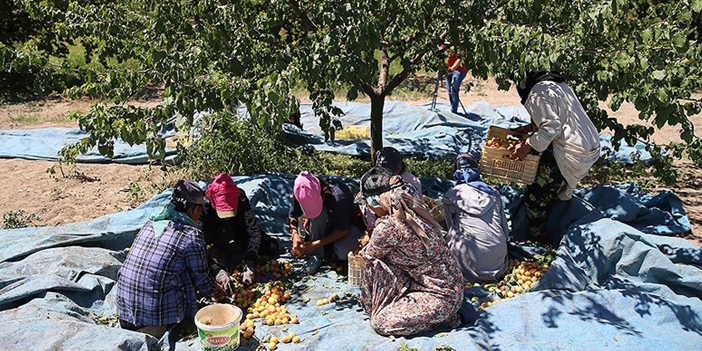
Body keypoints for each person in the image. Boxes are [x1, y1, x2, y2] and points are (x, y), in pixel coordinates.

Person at [358, 167, 463, 336]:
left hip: (441, 298)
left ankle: (442, 319)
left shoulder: (388, 227)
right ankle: (437, 313)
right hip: (450, 287)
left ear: (375, 202)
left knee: (380, 323)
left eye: (368, 204)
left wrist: (366, 241)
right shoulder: (414, 209)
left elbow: (368, 255)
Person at [117, 180, 220, 339]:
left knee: (173, 266)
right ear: (196, 209)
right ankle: (178, 320)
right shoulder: (191, 235)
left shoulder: (152, 222)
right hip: (151, 323)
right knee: (185, 273)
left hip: (124, 314)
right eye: (200, 212)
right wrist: (215, 291)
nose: (199, 217)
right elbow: (201, 278)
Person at [511, 71, 600, 242]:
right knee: (553, 187)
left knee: (536, 195)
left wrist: (527, 146)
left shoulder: (538, 92)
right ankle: (554, 216)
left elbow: (551, 127)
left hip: (572, 150)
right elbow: (559, 116)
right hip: (588, 145)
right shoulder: (557, 86)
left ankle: (540, 238)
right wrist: (528, 129)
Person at [203, 173, 281, 288]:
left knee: (272, 247)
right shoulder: (204, 206)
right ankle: (218, 249)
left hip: (237, 228)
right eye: (223, 212)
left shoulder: (241, 199)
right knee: (207, 264)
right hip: (214, 233)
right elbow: (197, 245)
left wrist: (251, 261)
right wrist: (217, 271)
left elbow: (253, 232)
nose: (227, 217)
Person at [442, 154, 508, 282]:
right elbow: (504, 229)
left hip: (467, 265)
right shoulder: (493, 193)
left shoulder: (452, 195)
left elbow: (450, 226)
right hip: (498, 264)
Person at [288, 171, 363, 273]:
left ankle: (327, 250)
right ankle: (317, 255)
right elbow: (292, 217)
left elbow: (342, 230)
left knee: (342, 251)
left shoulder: (339, 198)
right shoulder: (301, 194)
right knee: (318, 216)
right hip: (327, 222)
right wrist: (294, 234)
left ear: (321, 194)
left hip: (350, 223)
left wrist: (315, 244)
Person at [445, 47, 468, 114]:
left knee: (454, 89)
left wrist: (452, 69)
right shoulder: (444, 44)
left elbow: (460, 58)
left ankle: (454, 111)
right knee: (449, 90)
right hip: (448, 70)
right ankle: (453, 107)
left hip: (459, 70)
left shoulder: (460, 45)